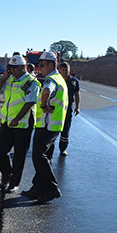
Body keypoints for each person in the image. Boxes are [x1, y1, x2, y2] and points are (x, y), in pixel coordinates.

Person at [22, 51, 68, 203]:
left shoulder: (51, 79)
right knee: (45, 156)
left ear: (50, 64)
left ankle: (51, 188)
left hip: (47, 125)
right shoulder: (59, 78)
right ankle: (38, 188)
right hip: (54, 125)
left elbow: (47, 90)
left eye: (41, 65)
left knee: (38, 155)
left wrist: (44, 104)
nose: (39, 68)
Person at [0, 54, 40, 192]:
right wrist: (4, 77)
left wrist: (17, 119)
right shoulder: (10, 79)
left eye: (15, 68)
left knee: (19, 155)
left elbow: (30, 103)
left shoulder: (31, 82)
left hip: (23, 123)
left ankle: (14, 183)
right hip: (7, 122)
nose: (12, 70)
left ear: (23, 67)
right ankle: (7, 175)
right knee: (1, 151)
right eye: (10, 68)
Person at [59, 62, 80, 156]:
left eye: (66, 69)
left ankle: (63, 148)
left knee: (66, 129)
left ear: (69, 69)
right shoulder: (57, 80)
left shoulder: (74, 81)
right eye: (63, 69)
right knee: (52, 129)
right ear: (59, 70)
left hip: (68, 109)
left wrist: (77, 106)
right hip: (57, 108)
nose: (65, 71)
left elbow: (77, 94)